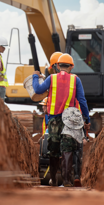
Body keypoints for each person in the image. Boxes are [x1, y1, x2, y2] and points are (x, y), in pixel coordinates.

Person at [32, 54, 90, 187]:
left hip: (54, 119)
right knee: (68, 149)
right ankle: (67, 181)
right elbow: (82, 100)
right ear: (71, 67)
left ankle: (53, 179)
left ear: (57, 66)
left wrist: (35, 76)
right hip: (70, 120)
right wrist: (87, 118)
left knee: (53, 149)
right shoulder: (76, 80)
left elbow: (37, 89)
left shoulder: (51, 78)